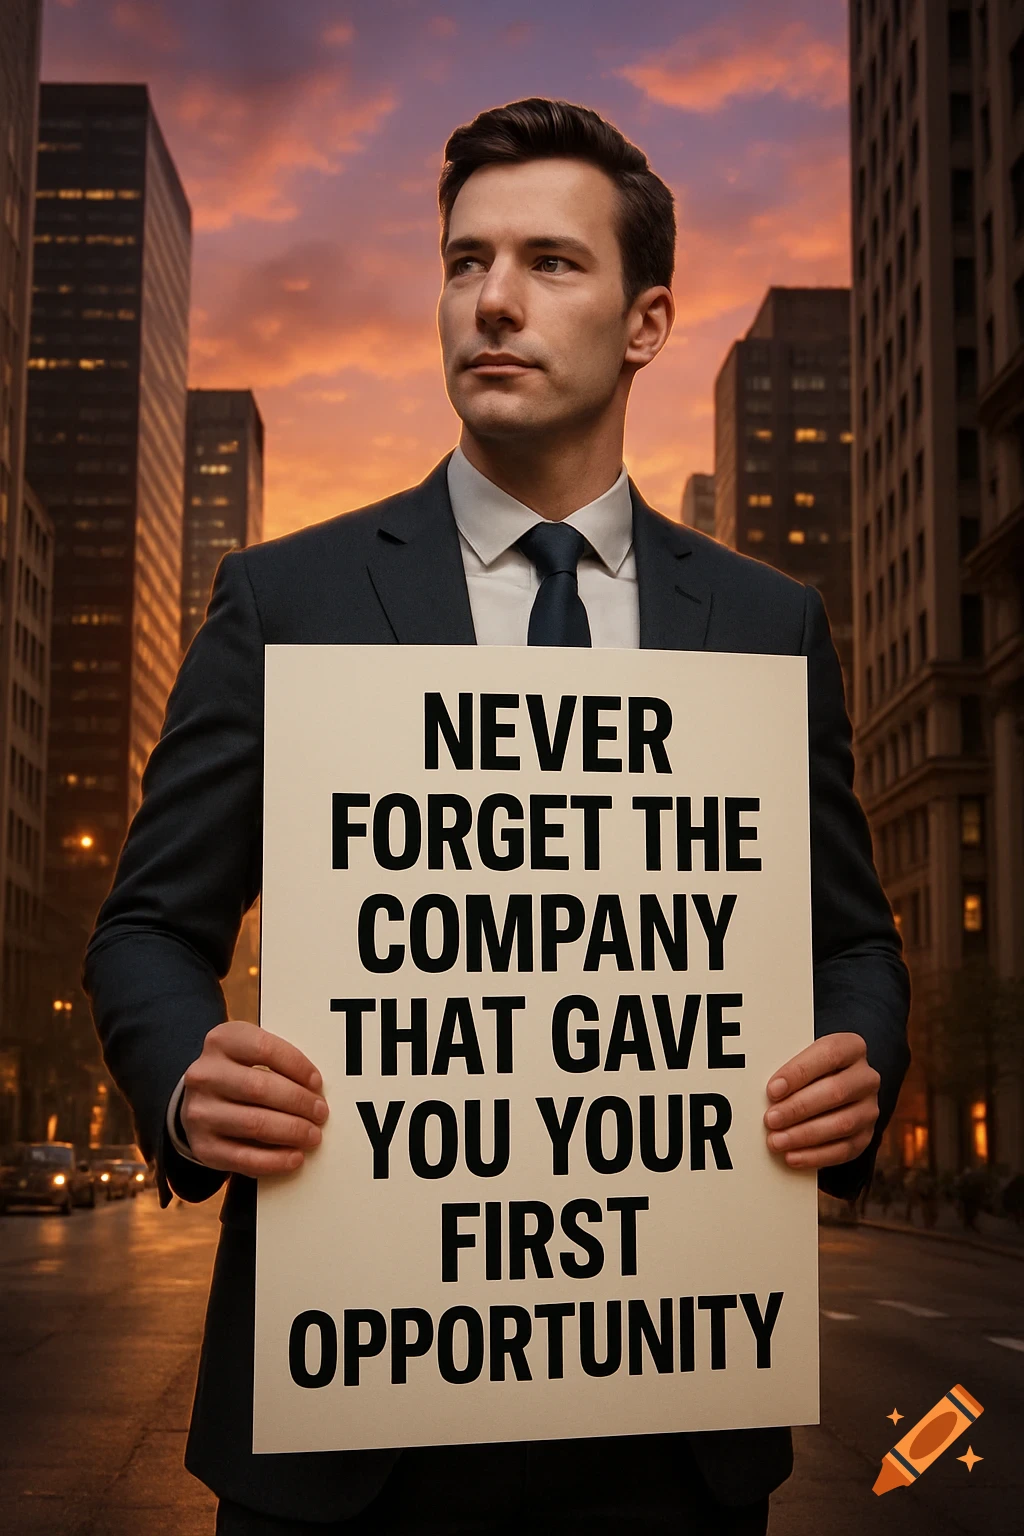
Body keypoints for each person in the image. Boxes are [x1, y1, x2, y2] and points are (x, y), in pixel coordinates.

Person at [84, 98, 911, 1536]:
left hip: (671, 1433)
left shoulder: (766, 625)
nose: (493, 300)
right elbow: (150, 926)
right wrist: (184, 1082)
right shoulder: (287, 600)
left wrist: (860, 1066)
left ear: (648, 322)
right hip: (349, 1447)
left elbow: (852, 945)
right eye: (465, 261)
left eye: (550, 262)